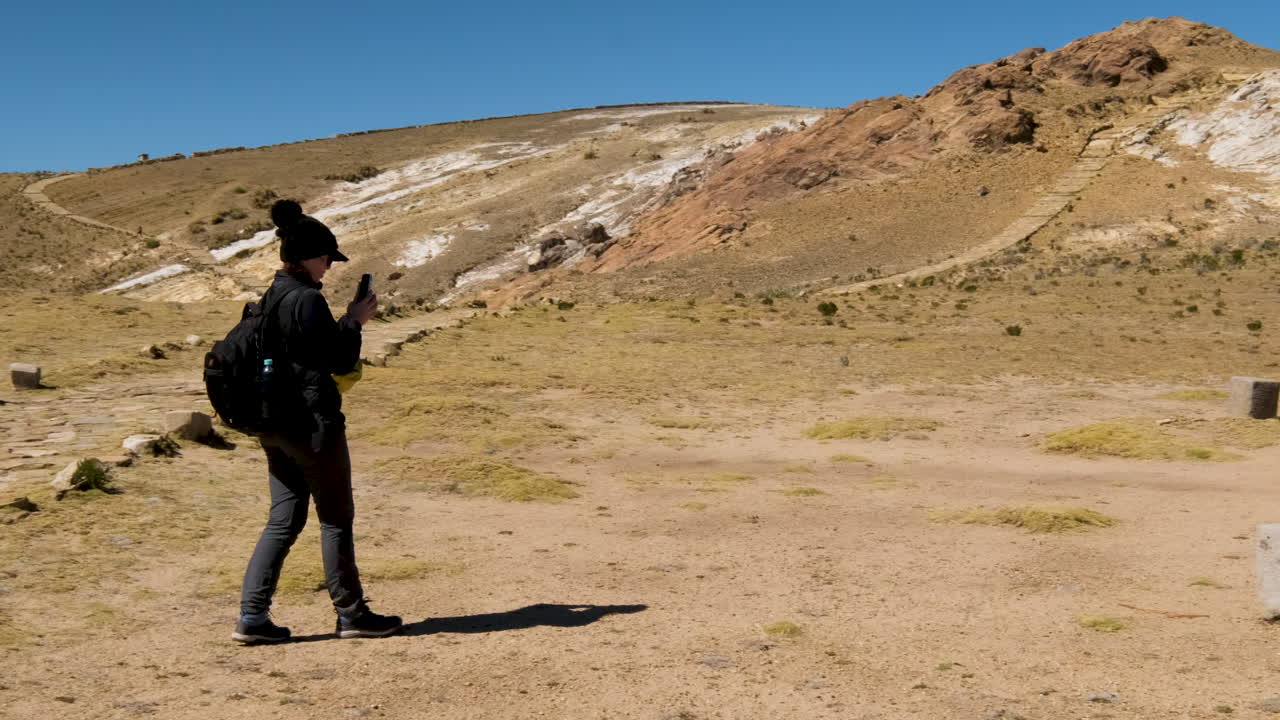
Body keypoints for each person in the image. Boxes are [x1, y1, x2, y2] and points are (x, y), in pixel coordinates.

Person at [232, 199, 402, 643]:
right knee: (336, 518)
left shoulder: (271, 296)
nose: (329, 266)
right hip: (310, 426)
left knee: (283, 521)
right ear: (308, 257)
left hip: (273, 425)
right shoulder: (306, 299)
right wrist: (355, 320)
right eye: (326, 258)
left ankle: (252, 618)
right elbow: (337, 359)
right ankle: (352, 614)